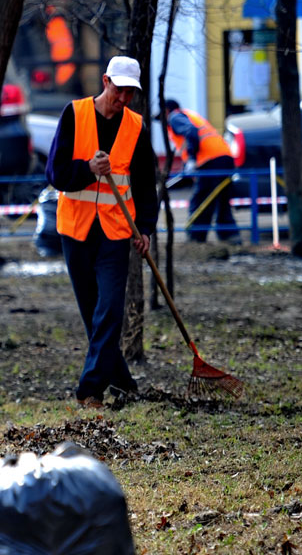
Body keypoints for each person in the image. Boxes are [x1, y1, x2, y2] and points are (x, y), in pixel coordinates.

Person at [45, 55, 158, 409]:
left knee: (110, 307)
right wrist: (88, 169)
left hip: (115, 229)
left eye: (130, 93)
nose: (124, 99)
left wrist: (146, 229)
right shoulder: (74, 114)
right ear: (106, 81)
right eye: (120, 90)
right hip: (76, 228)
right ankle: (122, 381)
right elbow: (55, 173)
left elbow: (143, 184)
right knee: (92, 310)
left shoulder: (136, 126)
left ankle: (89, 389)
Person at [161, 99, 240, 244]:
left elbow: (191, 132)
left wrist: (191, 159)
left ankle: (195, 240)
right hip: (225, 157)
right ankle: (231, 237)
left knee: (201, 199)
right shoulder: (189, 115)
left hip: (210, 161)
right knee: (222, 200)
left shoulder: (175, 117)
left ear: (166, 111)